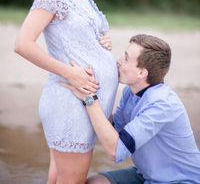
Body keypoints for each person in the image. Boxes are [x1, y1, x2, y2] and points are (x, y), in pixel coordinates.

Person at [14, 0, 119, 184]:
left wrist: (102, 40)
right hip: (70, 103)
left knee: (58, 178)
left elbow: (79, 36)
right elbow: (23, 44)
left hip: (86, 105)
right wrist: (70, 73)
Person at [62, 34, 200, 184]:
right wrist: (91, 84)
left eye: (126, 58)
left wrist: (90, 99)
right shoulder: (131, 91)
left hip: (180, 181)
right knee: (93, 183)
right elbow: (113, 129)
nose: (118, 61)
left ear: (142, 72)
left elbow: (115, 151)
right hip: (147, 174)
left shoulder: (162, 104)